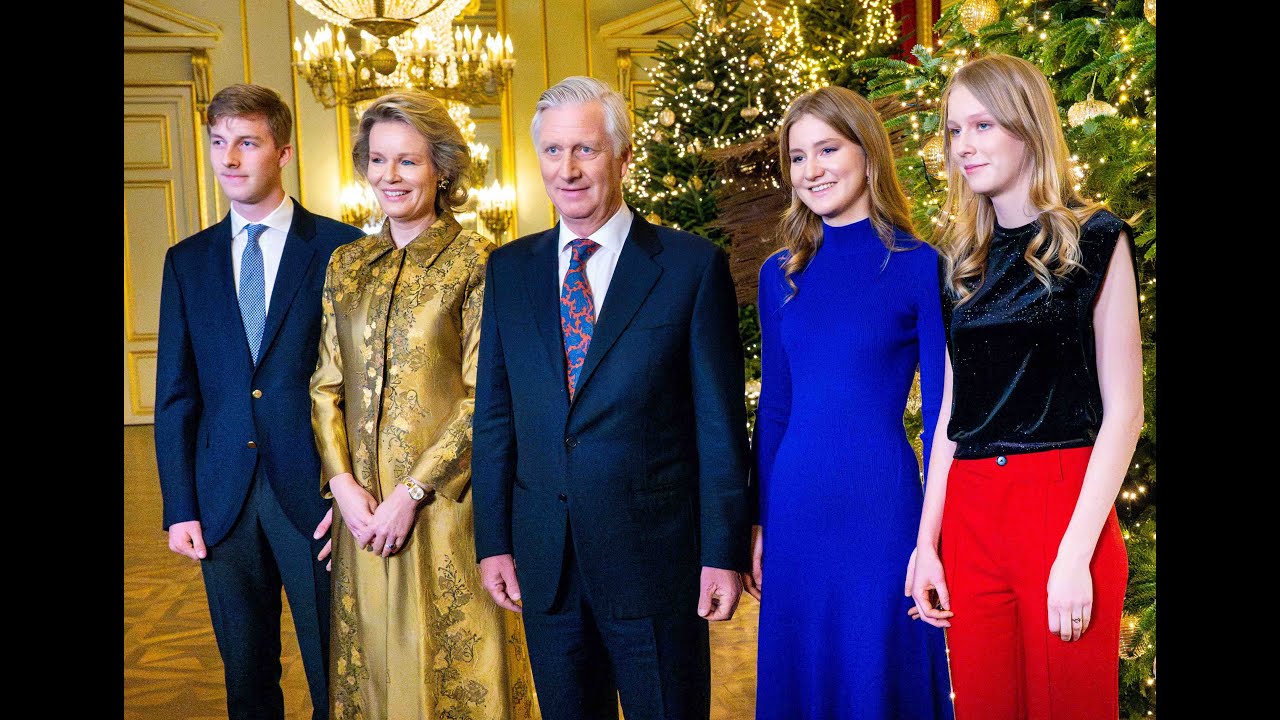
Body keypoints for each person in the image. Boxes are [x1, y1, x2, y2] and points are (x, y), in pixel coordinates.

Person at [471, 75, 751, 720]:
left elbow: (718, 424)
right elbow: (494, 420)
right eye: (552, 151)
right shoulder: (508, 270)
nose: (566, 170)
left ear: (623, 157)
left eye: (586, 150)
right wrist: (494, 542)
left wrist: (722, 553)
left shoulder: (689, 266)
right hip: (547, 560)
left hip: (658, 561)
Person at [907, 54, 1142, 719]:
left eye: (982, 126)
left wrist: (1076, 554)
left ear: (1027, 127)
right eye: (953, 131)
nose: (963, 147)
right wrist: (928, 546)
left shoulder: (1095, 240)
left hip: (1064, 504)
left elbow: (1125, 413)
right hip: (972, 518)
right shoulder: (959, 260)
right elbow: (954, 408)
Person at [309, 91, 539, 719]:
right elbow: (325, 384)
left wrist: (413, 492)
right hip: (362, 512)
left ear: (442, 169)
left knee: (453, 666)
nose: (390, 177)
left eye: (407, 162)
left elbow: (484, 396)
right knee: (376, 668)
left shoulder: (481, 262)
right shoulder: (347, 264)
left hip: (448, 507)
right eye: (378, 161)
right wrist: (344, 488)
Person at [155, 83, 364, 720]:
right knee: (246, 683)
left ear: (284, 152)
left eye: (247, 142)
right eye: (219, 143)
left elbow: (365, 387)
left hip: (319, 501)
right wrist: (180, 507)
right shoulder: (186, 261)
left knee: (338, 675)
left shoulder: (341, 248)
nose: (229, 158)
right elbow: (176, 397)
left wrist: (355, 488)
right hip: (222, 503)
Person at [746, 86, 954, 719]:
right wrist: (759, 520)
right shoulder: (780, 272)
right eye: (797, 157)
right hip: (795, 507)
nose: (812, 170)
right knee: (801, 673)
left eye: (828, 149)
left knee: (876, 667)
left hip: (882, 506)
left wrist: (932, 538)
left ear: (868, 152)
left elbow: (948, 415)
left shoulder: (921, 266)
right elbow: (776, 408)